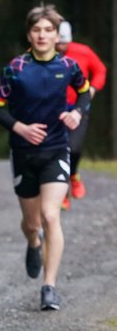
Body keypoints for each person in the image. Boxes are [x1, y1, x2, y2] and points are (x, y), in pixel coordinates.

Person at [0, 4, 88, 311]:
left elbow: (85, 92)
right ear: (29, 34)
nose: (42, 35)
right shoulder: (15, 68)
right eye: (36, 30)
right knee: (32, 224)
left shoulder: (69, 66)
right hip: (23, 152)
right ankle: (33, 243)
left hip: (57, 149)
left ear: (57, 35)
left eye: (48, 30)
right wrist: (20, 127)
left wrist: (76, 112)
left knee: (51, 215)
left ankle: (49, 287)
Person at [56, 21, 107, 210]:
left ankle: (74, 175)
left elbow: (100, 70)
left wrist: (93, 88)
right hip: (54, 109)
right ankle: (62, 194)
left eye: (64, 43)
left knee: (74, 149)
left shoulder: (82, 51)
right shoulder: (44, 53)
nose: (61, 47)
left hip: (79, 106)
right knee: (58, 151)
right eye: (58, 44)